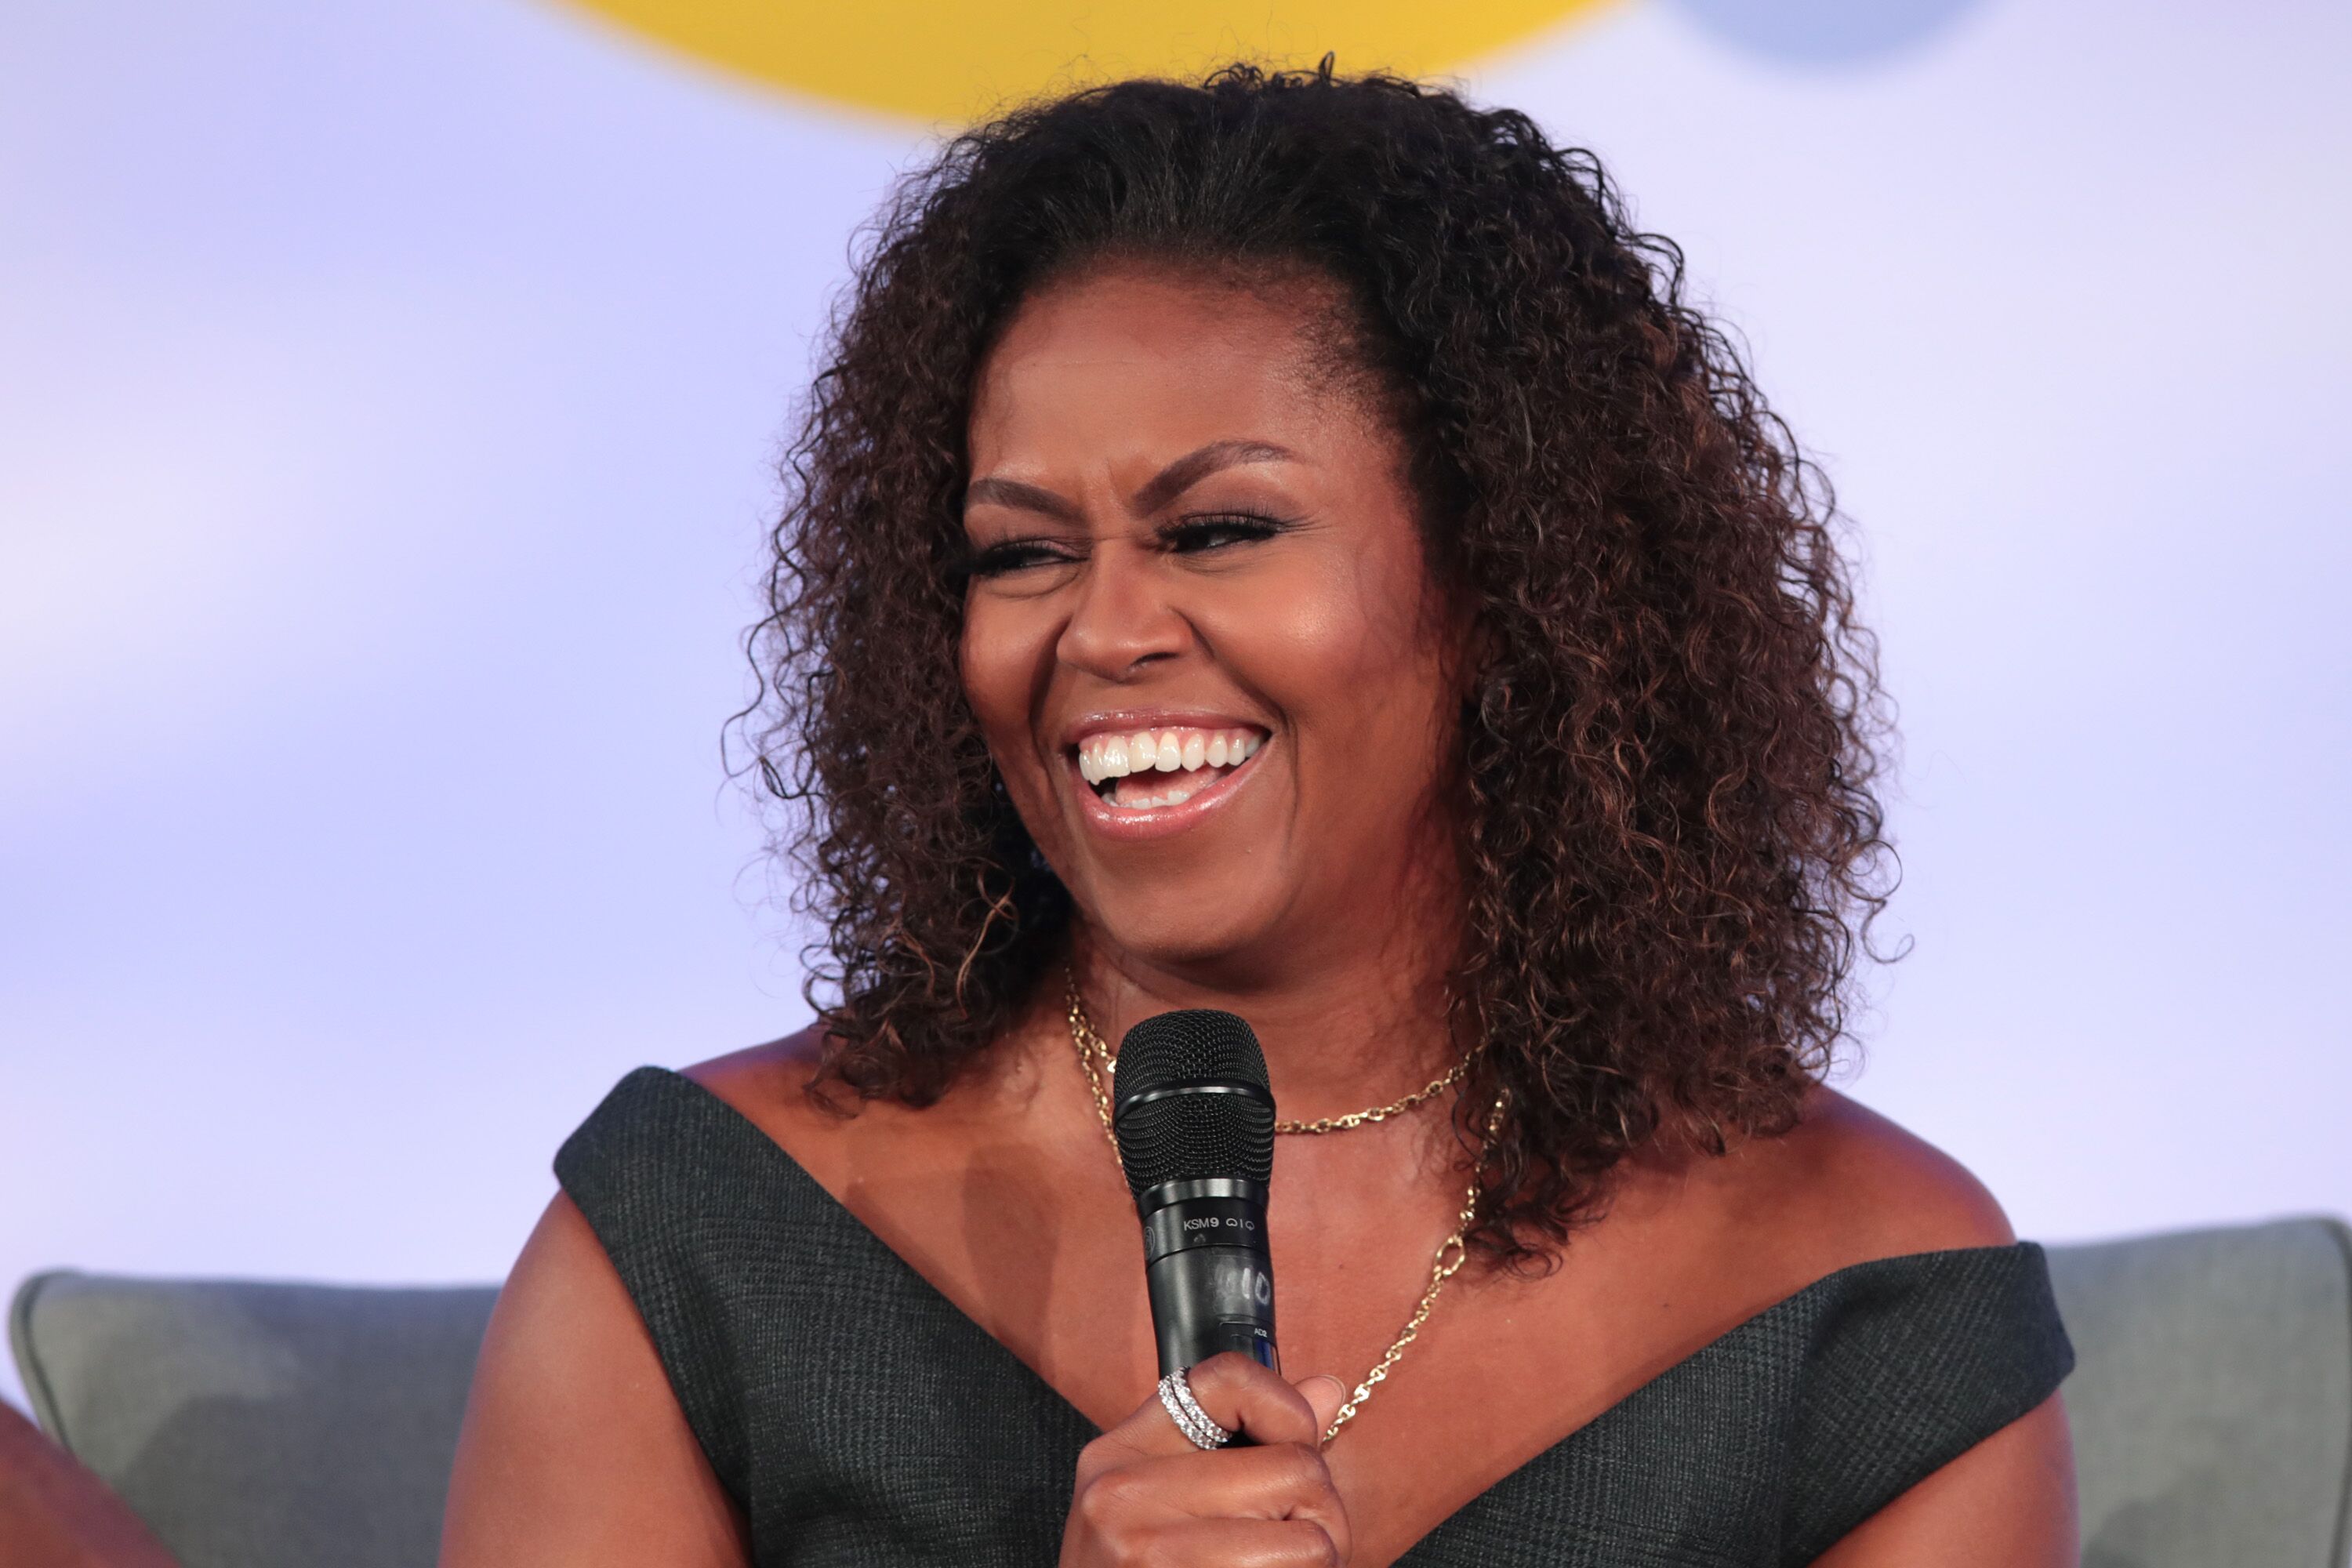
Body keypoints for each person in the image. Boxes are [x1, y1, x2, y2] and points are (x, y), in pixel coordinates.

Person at [439, 61, 2076, 1567]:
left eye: (1218, 529)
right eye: (1020, 552)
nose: (1103, 629)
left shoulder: (1863, 1299)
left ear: (1508, 580)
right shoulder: (693, 1253)